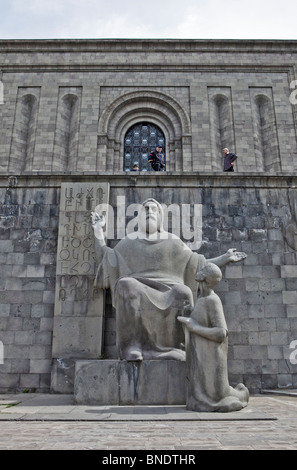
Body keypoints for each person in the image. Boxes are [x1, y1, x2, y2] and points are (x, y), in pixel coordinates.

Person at [91, 198, 247, 362]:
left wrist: (225, 258)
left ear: (160, 217)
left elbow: (198, 265)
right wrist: (98, 231)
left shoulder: (173, 241)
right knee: (126, 285)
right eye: (146, 209)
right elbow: (106, 259)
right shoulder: (128, 242)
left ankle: (174, 348)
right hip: (138, 289)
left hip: (169, 289)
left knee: (183, 292)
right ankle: (133, 346)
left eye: (153, 209)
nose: (149, 212)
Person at [178, 263, 249, 412]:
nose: (199, 270)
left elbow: (221, 333)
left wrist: (194, 327)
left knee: (218, 396)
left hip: (211, 361)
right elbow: (202, 319)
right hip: (201, 360)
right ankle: (237, 392)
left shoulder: (212, 300)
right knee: (199, 396)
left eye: (203, 269)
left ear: (204, 278)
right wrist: (189, 312)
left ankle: (242, 394)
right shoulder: (202, 298)